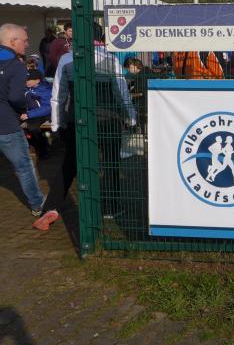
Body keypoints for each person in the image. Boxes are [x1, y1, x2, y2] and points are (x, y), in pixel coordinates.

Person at [50, 26, 137, 218]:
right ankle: (110, 207)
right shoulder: (110, 59)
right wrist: (131, 117)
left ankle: (52, 205)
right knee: (111, 163)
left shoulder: (66, 59)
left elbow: (58, 95)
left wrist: (57, 124)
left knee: (71, 162)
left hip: (78, 118)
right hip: (107, 118)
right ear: (102, 38)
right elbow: (121, 92)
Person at [0, 24, 56, 228]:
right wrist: (25, 107)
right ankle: (38, 205)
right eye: (24, 40)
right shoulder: (15, 65)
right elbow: (16, 97)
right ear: (12, 41)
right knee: (24, 166)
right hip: (6, 125)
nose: (27, 44)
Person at [21, 69, 52, 159]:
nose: (26, 81)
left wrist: (29, 114)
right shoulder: (26, 88)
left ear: (37, 80)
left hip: (42, 115)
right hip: (29, 114)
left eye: (28, 79)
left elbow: (47, 108)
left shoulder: (45, 90)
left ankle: (42, 151)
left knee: (35, 129)